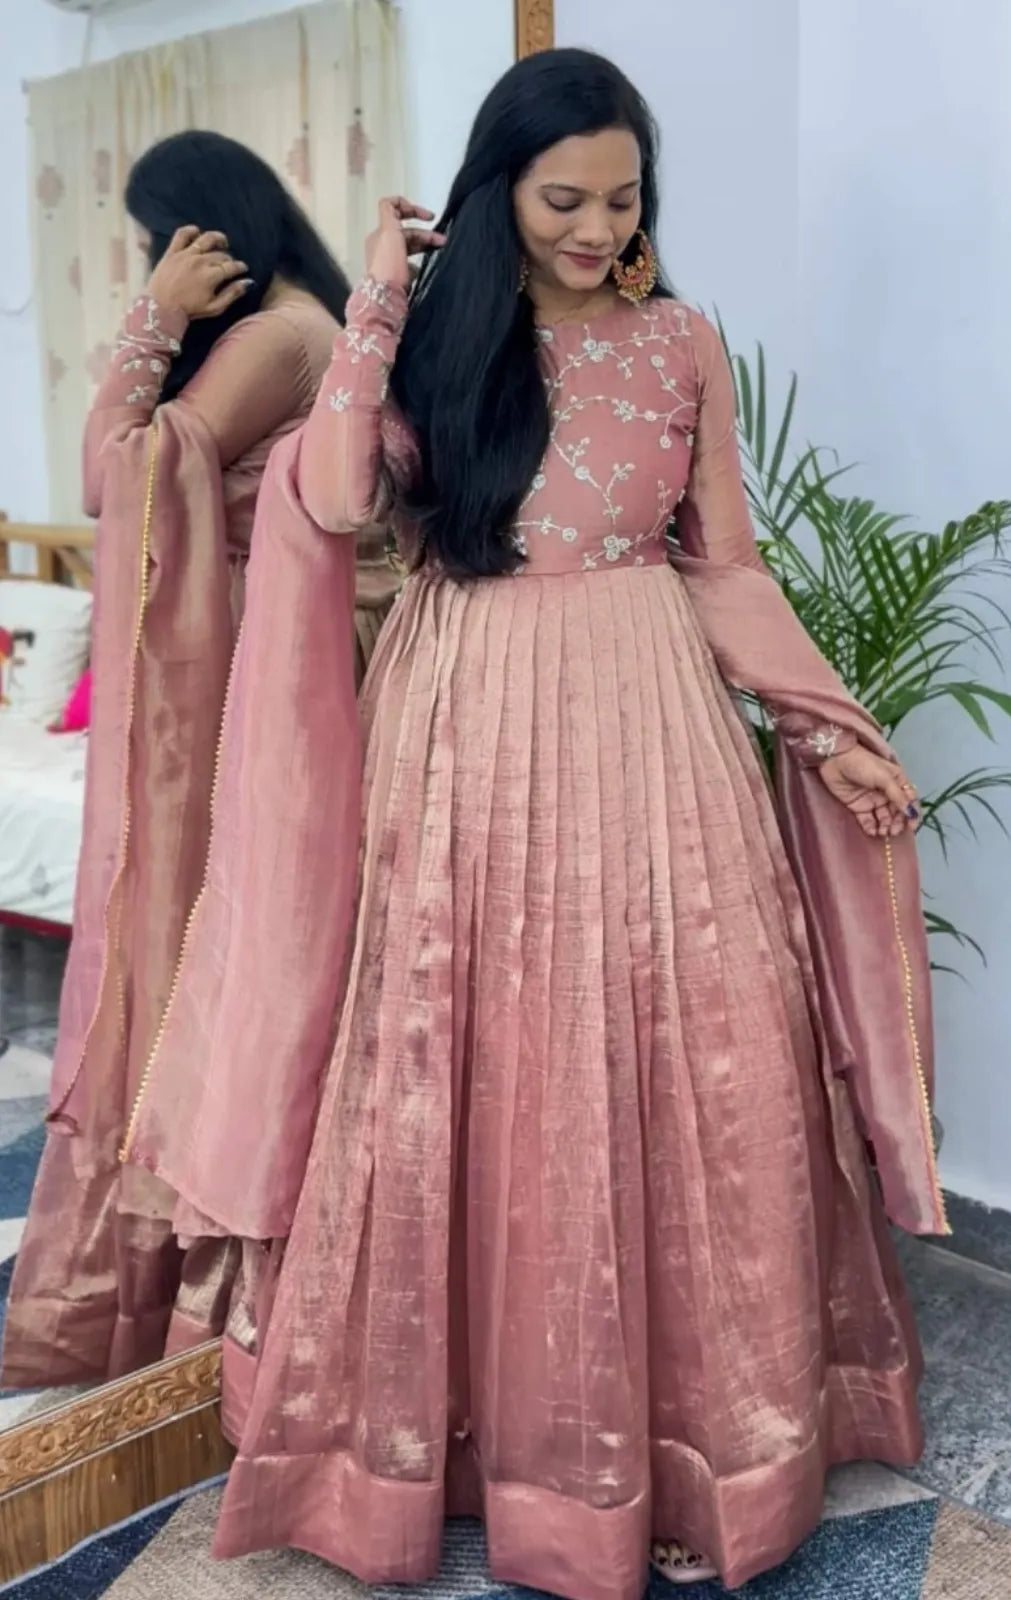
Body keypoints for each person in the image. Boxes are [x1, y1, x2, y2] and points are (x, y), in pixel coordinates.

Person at [122, 52, 946, 1600]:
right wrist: (379, 303)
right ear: (499, 192)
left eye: (623, 199)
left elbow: (727, 566)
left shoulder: (682, 343)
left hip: (658, 728)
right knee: (467, 1063)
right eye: (564, 197)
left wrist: (826, 728)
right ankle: (466, 1446)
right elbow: (336, 499)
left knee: (704, 1050)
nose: (595, 226)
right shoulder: (437, 340)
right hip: (468, 735)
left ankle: (703, 1445)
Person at [1, 132, 400, 1390]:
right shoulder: (314, 324)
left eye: (156, 242)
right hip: (289, 661)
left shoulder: (278, 338)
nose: (151, 265)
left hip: (266, 678)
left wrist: (152, 318)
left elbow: (118, 476)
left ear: (205, 233)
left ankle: (220, 1284)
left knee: (222, 967)